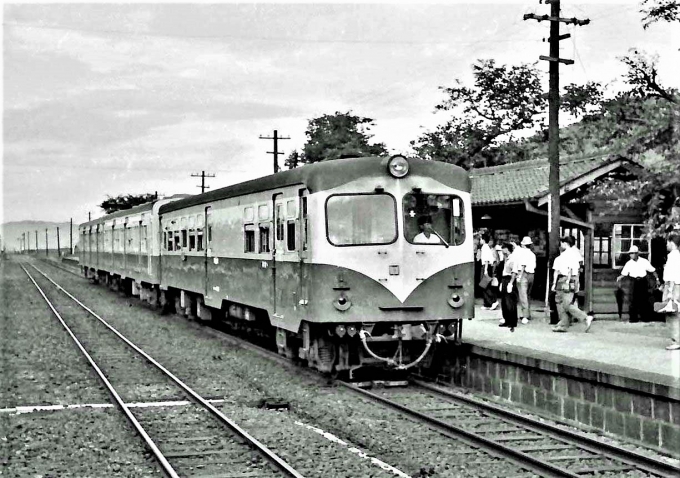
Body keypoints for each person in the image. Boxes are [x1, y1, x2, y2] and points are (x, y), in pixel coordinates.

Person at [551, 236, 594, 333]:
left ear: (565, 244)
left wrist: (566, 280)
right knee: (560, 301)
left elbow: (569, 269)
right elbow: (577, 269)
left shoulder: (567, 254)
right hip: (572, 278)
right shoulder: (575, 254)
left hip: (566, 278)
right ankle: (563, 324)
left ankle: (585, 317)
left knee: (565, 303)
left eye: (562, 243)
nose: (560, 245)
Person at [616, 245, 658, 323]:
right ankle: (633, 318)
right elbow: (624, 273)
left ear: (637, 253)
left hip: (642, 280)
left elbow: (652, 270)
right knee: (633, 300)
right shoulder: (629, 263)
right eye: (630, 253)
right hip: (633, 281)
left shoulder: (644, 261)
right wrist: (619, 278)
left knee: (644, 299)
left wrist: (657, 279)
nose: (632, 255)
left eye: (633, 253)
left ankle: (645, 317)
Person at [660, 234, 680, 350]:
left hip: (673, 286)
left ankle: (676, 340)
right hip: (677, 285)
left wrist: (670, 291)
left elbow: (672, 274)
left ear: (672, 243)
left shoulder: (672, 256)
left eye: (668, 242)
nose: (666, 245)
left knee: (672, 313)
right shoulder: (678, 256)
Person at [499, 242, 519, 331]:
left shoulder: (513, 258)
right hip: (504, 279)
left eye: (503, 248)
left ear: (507, 249)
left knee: (510, 302)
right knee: (504, 301)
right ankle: (506, 319)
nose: (502, 250)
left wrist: (511, 283)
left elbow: (514, 272)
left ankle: (512, 321)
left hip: (509, 279)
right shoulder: (506, 258)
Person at [516, 236, 537, 324]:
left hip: (524, 274)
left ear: (524, 245)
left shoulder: (523, 253)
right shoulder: (532, 254)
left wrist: (519, 276)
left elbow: (523, 266)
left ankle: (525, 315)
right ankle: (528, 314)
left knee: (523, 296)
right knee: (528, 295)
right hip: (532, 275)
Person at [480, 234, 500, 310]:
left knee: (484, 285)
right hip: (487, 267)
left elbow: (486, 260)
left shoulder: (484, 247)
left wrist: (485, 270)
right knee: (485, 285)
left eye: (481, 239)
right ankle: (487, 304)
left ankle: (493, 301)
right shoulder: (487, 247)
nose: (480, 240)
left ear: (483, 240)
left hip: (486, 267)